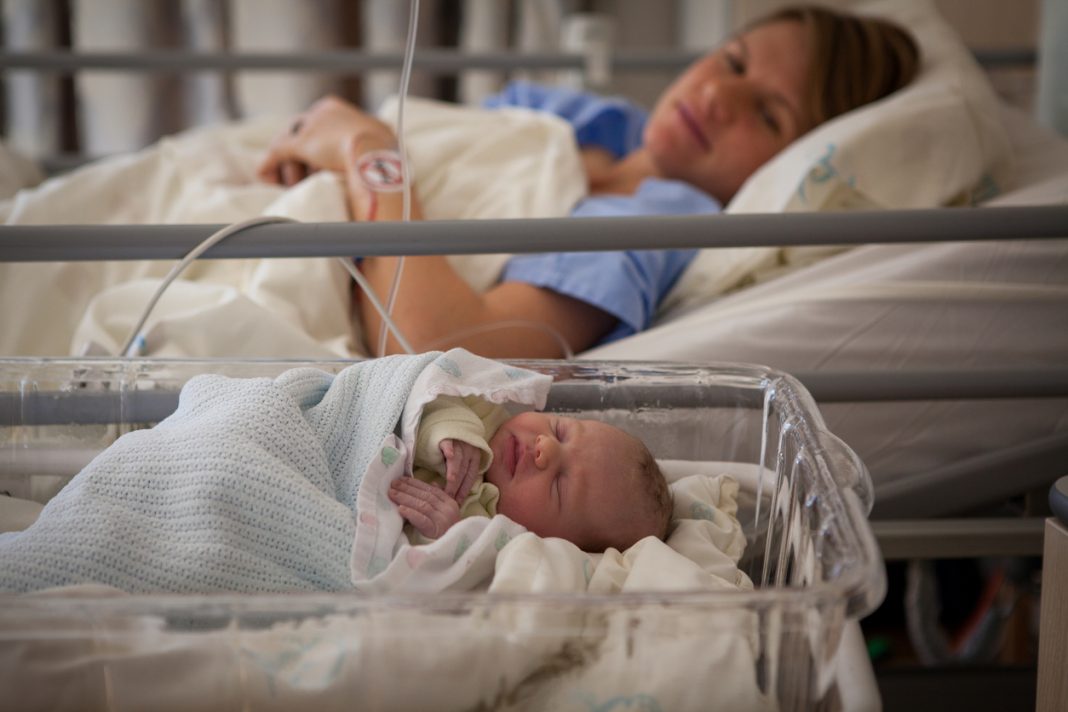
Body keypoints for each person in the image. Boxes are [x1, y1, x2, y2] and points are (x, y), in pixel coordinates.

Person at [258, 5, 920, 359]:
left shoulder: (657, 220)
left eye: (768, 113)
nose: (718, 93)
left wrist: (367, 150)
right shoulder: (592, 118)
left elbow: (436, 345)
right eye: (733, 61)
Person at [389, 394, 672, 552]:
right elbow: (419, 392)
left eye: (560, 485)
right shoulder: (480, 411)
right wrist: (448, 429)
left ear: (551, 542)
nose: (544, 448)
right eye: (560, 431)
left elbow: (417, 578)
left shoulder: (486, 540)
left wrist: (445, 537)